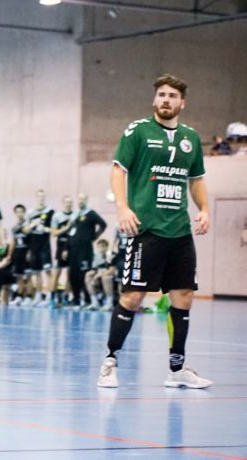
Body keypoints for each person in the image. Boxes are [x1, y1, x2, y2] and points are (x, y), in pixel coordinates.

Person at [97, 74, 211, 390]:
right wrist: (122, 207)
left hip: (180, 231)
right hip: (146, 229)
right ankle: (109, 362)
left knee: (184, 296)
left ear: (182, 103)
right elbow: (118, 170)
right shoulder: (138, 131)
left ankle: (177, 369)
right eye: (161, 94)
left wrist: (204, 209)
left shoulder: (191, 137)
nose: (166, 100)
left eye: (172, 96)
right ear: (154, 99)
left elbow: (196, 179)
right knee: (133, 296)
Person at [66, 193, 107, 309]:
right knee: (73, 274)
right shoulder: (75, 215)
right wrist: (66, 247)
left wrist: (94, 236)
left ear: (86, 200)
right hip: (73, 249)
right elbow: (70, 231)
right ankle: (76, 299)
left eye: (83, 199)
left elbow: (103, 224)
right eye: (79, 199)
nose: (81, 201)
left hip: (85, 249)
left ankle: (88, 299)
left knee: (83, 274)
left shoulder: (91, 213)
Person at [22, 189, 54, 306]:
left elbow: (55, 230)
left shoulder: (50, 212)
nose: (41, 199)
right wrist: (32, 225)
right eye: (39, 196)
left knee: (48, 271)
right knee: (37, 272)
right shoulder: (31, 213)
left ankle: (49, 297)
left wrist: (45, 229)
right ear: (36, 198)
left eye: (43, 197)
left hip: (45, 245)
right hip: (34, 245)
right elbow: (25, 230)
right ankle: (39, 296)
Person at [49, 195, 77, 306]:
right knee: (57, 272)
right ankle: (52, 298)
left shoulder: (75, 215)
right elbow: (53, 233)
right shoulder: (57, 216)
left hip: (73, 247)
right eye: (66, 202)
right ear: (63, 203)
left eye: (70, 202)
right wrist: (66, 228)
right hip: (61, 246)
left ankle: (65, 297)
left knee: (70, 274)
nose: (68, 204)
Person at [85, 238, 116, 310]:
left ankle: (109, 303)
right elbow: (95, 269)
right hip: (99, 277)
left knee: (106, 278)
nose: (101, 249)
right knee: (88, 277)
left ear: (107, 247)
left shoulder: (111, 255)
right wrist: (91, 274)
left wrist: (100, 275)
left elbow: (112, 270)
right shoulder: (97, 256)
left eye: (103, 246)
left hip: (112, 278)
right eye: (99, 247)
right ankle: (95, 302)